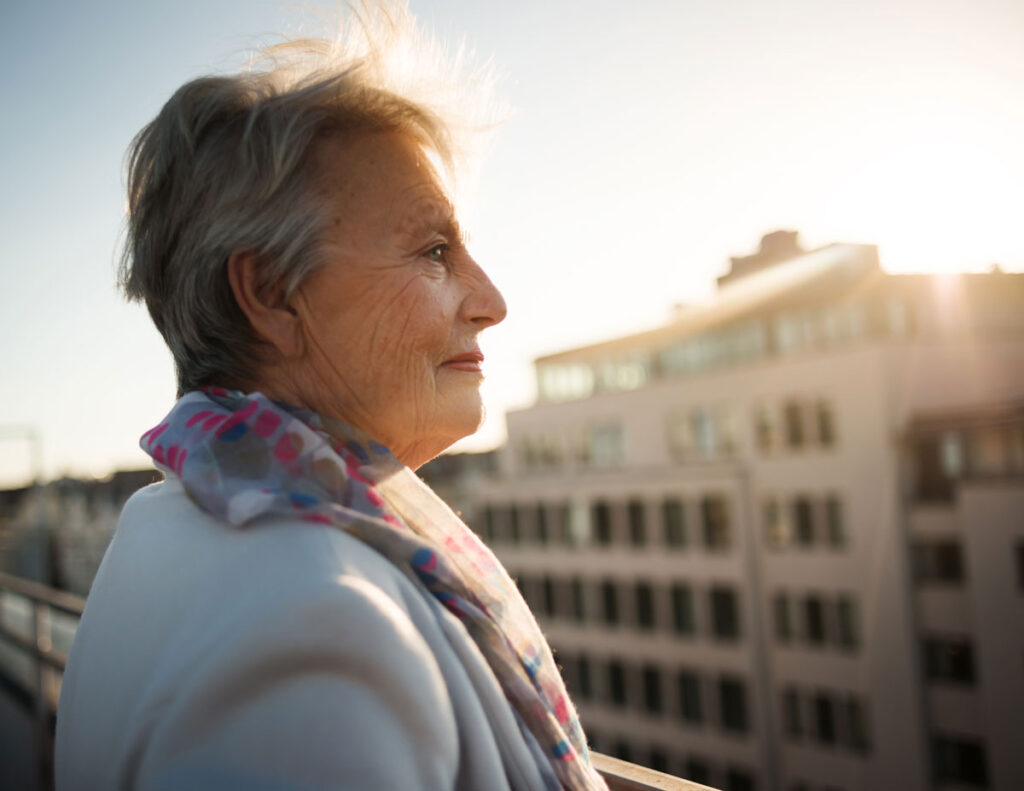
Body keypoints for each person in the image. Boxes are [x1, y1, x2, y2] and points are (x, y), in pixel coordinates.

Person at [54, 5, 606, 790]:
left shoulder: (164, 520)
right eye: (434, 250)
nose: (490, 299)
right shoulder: (321, 624)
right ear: (273, 291)